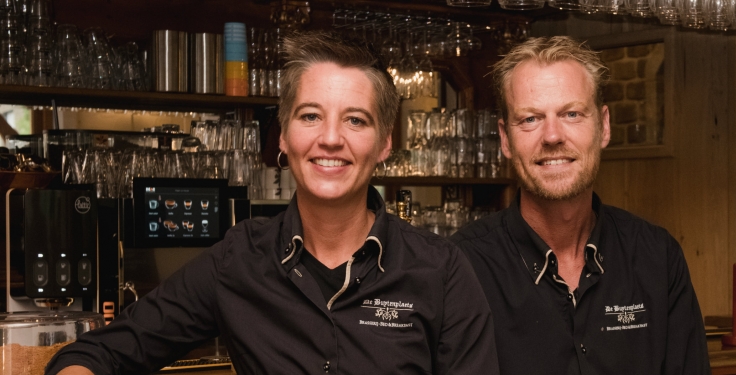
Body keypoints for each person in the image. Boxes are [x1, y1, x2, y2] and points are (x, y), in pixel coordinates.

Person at [47, 31, 499, 375]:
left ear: (384, 143)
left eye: (355, 120)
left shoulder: (441, 271)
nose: (330, 139)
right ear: (284, 136)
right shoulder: (239, 259)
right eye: (310, 116)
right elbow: (101, 352)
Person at [450, 36, 710, 374]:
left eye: (571, 113)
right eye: (530, 119)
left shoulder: (658, 258)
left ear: (603, 126)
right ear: (505, 138)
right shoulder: (462, 269)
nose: (553, 136)